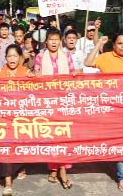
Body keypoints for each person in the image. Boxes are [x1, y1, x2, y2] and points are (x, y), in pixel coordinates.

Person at [84, 31, 123, 193]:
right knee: (121, 140)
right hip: (112, 109)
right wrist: (98, 45)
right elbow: (88, 62)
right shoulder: (105, 57)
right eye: (120, 43)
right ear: (114, 45)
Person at [34, 28, 74, 189]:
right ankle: (53, 168)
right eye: (51, 39)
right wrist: (34, 75)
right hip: (47, 102)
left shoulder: (67, 56)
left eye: (56, 39)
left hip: (63, 101)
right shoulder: (40, 57)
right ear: (46, 41)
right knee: (51, 136)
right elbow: (36, 77)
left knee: (64, 135)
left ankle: (63, 169)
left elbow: (72, 77)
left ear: (60, 41)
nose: (54, 42)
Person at [0, 44, 33, 195]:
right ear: (5, 58)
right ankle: (8, 182)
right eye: (9, 56)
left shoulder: (26, 72)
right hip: (4, 118)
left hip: (22, 118)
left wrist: (34, 78)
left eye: (15, 56)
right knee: (6, 148)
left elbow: (39, 90)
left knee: (21, 145)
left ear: (20, 57)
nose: (12, 59)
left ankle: (20, 167)